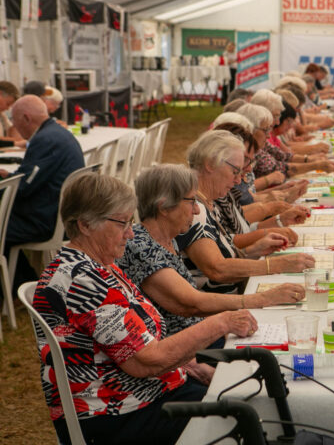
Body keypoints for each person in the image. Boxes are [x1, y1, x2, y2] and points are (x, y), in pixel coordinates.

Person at [34, 171, 259, 445]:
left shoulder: (103, 266)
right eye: (121, 223)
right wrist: (222, 322)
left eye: (130, 222)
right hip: (117, 414)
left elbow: (142, 339)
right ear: (85, 225)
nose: (130, 232)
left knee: (252, 394)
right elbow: (146, 361)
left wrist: (191, 366)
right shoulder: (81, 280)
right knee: (249, 417)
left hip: (151, 394)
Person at [118, 164, 305, 383]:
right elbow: (190, 303)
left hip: (202, 344)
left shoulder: (166, 239)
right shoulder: (141, 246)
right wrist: (265, 298)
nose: (197, 211)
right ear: (164, 208)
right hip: (188, 357)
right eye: (190, 202)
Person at [176, 130, 315, 294]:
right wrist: (277, 265)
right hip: (219, 309)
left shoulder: (207, 202)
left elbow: (225, 253)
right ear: (210, 163)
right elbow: (217, 269)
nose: (238, 180)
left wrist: (255, 249)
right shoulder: (194, 209)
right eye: (235, 172)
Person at [0, 96, 84, 284]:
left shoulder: (44, 140)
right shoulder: (57, 133)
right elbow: (31, 177)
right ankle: (22, 283)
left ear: (26, 118)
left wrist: (9, 182)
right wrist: (12, 177)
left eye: (14, 120)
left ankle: (18, 287)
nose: (15, 127)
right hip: (61, 214)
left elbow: (22, 189)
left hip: (48, 221)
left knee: (2, 223)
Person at [0, 81, 24, 146]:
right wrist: (17, 142)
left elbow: (12, 131)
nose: (8, 108)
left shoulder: (2, 116)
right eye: (7, 104)